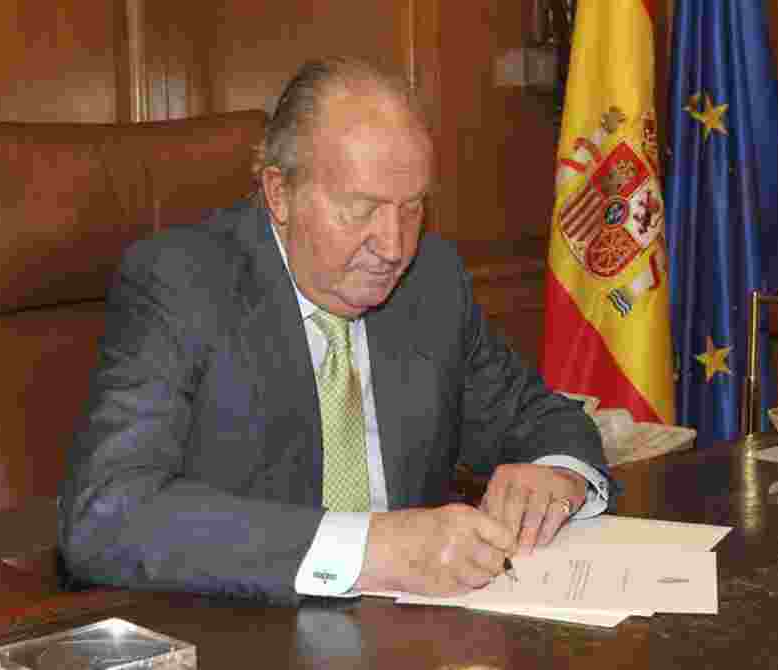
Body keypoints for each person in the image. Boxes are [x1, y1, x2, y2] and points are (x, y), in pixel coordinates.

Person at [58, 56, 614, 605]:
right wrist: (371, 549)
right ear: (279, 194)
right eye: (360, 208)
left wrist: (556, 476)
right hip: (242, 630)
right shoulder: (183, 283)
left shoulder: (432, 280)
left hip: (412, 633)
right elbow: (107, 514)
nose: (394, 246)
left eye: (412, 207)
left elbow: (538, 416)